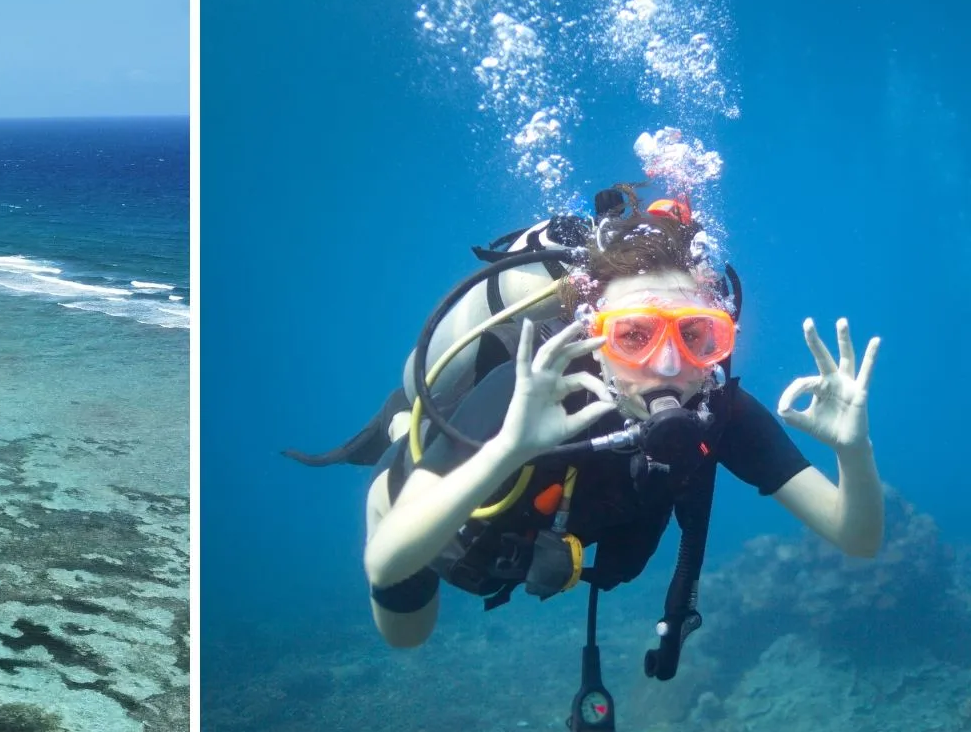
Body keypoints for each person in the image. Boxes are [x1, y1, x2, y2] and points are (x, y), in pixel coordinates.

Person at [351, 187, 884, 651]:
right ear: (594, 341)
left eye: (696, 334)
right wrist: (507, 449)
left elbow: (857, 538)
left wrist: (852, 452)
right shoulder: (532, 391)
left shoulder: (719, 411)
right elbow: (387, 563)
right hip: (435, 523)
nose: (670, 364)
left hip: (547, 537)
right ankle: (403, 427)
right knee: (408, 636)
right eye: (634, 335)